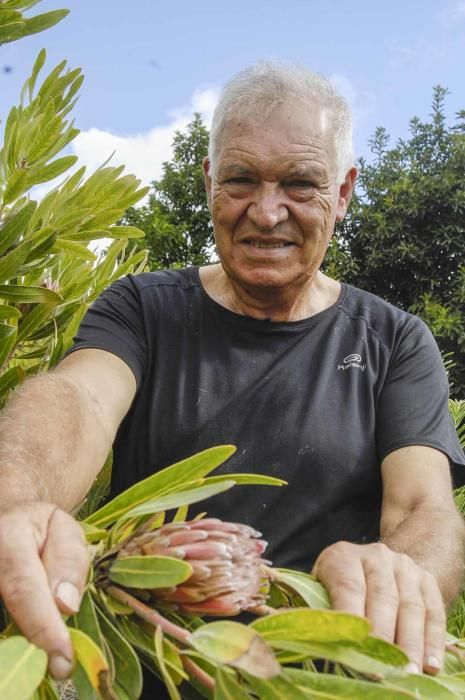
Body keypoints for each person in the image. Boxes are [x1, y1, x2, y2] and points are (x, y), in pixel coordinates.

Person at [0, 61, 464, 694]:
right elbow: (78, 399)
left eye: (301, 184)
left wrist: (403, 573)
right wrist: (15, 496)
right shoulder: (142, 309)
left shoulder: (394, 341)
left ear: (345, 191)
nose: (267, 213)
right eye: (241, 179)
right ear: (210, 180)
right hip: (145, 673)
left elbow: (424, 506)